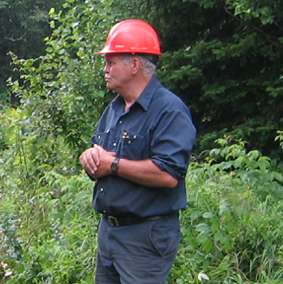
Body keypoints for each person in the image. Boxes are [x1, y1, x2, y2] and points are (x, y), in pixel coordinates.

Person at [78, 19, 196, 284]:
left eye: (111, 62)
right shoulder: (114, 109)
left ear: (134, 65)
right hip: (109, 231)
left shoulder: (168, 110)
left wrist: (114, 164)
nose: (105, 69)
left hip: (145, 235)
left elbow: (168, 174)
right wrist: (90, 160)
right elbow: (102, 163)